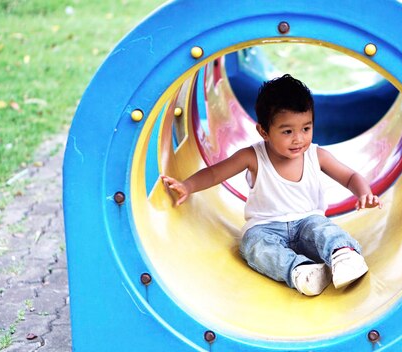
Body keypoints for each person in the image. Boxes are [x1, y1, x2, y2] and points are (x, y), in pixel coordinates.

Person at [161, 74, 382, 296]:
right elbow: (214, 173)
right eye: (287, 131)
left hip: (307, 221)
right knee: (252, 245)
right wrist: (188, 186)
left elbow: (350, 176)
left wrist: (364, 193)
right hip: (265, 226)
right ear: (264, 132)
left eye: (306, 128)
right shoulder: (252, 156)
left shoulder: (317, 155)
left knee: (322, 230)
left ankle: (344, 255)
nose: (298, 139)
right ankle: (302, 271)